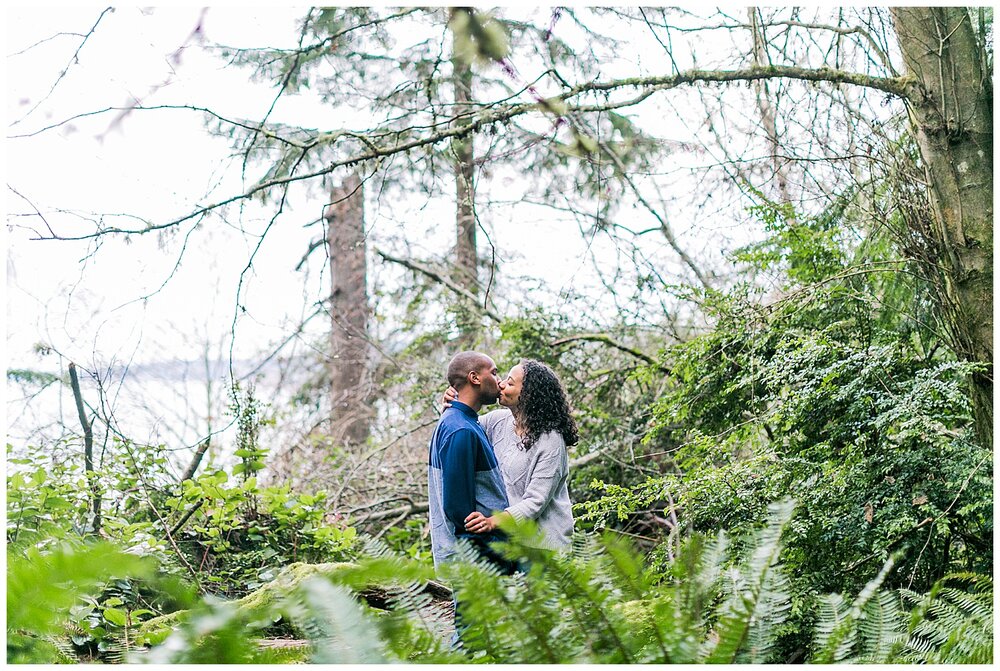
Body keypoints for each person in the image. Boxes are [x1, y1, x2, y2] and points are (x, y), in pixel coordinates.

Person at [445, 358, 577, 551]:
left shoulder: (551, 440)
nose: (501, 384)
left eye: (510, 382)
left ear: (529, 394)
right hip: (511, 544)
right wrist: (452, 403)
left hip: (545, 548)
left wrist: (493, 522)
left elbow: (535, 501)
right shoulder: (497, 421)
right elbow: (464, 430)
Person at [428, 350, 518, 575]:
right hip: (480, 565)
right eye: (494, 372)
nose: (499, 381)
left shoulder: (464, 422)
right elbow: (461, 513)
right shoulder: (461, 430)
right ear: (475, 378)